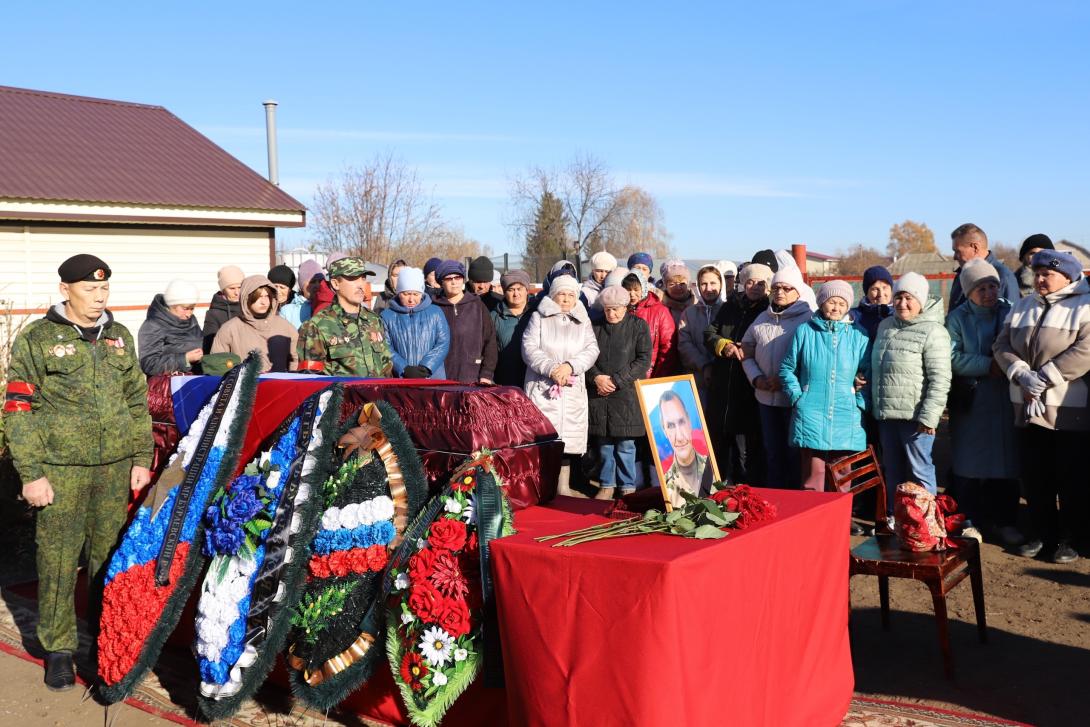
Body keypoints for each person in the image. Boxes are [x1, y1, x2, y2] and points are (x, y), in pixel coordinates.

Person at [3, 254, 153, 691]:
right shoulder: (39, 338)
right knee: (58, 562)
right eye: (90, 289)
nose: (99, 296)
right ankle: (60, 650)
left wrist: (141, 457)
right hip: (60, 472)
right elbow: (19, 408)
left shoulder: (120, 337)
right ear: (65, 289)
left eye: (104, 289)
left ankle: (106, 640)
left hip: (114, 471)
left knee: (108, 561)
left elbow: (136, 401)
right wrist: (30, 473)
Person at [994, 250, 1090, 564]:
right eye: (1036, 273)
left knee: (1070, 477)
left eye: (1046, 274)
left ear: (1068, 276)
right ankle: (1040, 532)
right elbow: (1002, 344)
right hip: (1026, 407)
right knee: (1035, 476)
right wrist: (1019, 372)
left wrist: (1047, 376)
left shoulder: (1084, 306)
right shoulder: (1023, 305)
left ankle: (1069, 538)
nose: (1039, 279)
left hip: (1067, 409)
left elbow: (1086, 349)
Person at [945, 259, 1021, 545]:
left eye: (992, 285)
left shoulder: (1009, 312)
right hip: (972, 401)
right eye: (981, 288)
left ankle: (1005, 520)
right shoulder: (957, 318)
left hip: (1004, 398)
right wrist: (986, 366)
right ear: (968, 291)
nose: (989, 292)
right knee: (969, 465)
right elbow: (952, 356)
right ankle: (970, 520)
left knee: (1006, 462)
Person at [871, 272, 951, 523]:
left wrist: (929, 417)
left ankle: (927, 521)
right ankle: (897, 517)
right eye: (898, 297)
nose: (902, 303)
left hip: (916, 417)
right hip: (887, 415)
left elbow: (940, 379)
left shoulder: (933, 331)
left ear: (921, 300)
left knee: (920, 471)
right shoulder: (885, 326)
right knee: (892, 468)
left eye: (909, 298)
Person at [778, 280, 869, 492]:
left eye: (841, 303)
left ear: (848, 306)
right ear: (821, 303)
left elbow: (868, 372)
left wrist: (858, 402)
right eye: (831, 302)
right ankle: (813, 521)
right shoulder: (805, 331)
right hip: (811, 411)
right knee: (813, 475)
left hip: (846, 412)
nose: (836, 308)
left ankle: (839, 521)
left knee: (843, 476)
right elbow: (787, 368)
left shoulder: (859, 335)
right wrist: (799, 398)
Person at [522, 275, 600, 496]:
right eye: (561, 294)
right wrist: (552, 369)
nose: (565, 299)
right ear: (553, 295)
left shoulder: (582, 319)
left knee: (567, 439)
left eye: (570, 295)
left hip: (571, 386)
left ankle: (563, 487)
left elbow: (591, 349)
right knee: (545, 438)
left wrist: (570, 366)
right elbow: (529, 348)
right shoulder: (539, 317)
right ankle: (541, 486)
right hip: (543, 387)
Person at [740, 266, 814, 489]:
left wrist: (785, 380)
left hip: (793, 398)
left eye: (786, 288)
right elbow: (746, 351)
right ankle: (776, 497)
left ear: (797, 292)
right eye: (776, 288)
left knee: (794, 454)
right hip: (765, 398)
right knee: (772, 451)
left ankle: (795, 499)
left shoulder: (808, 320)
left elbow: (811, 360)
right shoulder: (762, 318)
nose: (780, 292)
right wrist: (757, 378)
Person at [704, 262, 772, 485]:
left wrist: (750, 349)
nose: (754, 287)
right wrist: (723, 345)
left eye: (761, 283)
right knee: (719, 443)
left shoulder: (768, 311)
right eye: (750, 281)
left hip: (748, 386)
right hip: (723, 382)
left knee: (746, 448)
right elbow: (710, 332)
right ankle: (719, 488)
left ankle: (745, 491)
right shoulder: (730, 306)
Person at [587, 285, 652, 500]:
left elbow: (643, 359)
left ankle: (627, 485)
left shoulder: (638, 326)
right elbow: (585, 356)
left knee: (625, 444)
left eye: (616, 309)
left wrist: (616, 380)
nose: (611, 314)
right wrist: (596, 377)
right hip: (600, 393)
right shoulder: (594, 326)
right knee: (604, 444)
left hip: (626, 394)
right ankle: (606, 484)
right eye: (607, 310)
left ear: (626, 307)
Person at [296, 257, 393, 376]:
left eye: (363, 278)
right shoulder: (316, 326)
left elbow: (387, 369)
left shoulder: (374, 320)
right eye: (352, 279)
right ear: (336, 283)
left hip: (377, 394)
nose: (361, 285)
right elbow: (311, 380)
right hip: (342, 394)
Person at [212, 275, 299, 373]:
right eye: (259, 297)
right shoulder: (229, 329)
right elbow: (217, 367)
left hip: (279, 385)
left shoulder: (286, 328)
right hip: (244, 386)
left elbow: (294, 363)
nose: (264, 302)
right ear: (246, 298)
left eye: (267, 296)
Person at [432, 260, 498, 384]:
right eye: (448, 278)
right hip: (441, 377)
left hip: (472, 376)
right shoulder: (434, 307)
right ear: (441, 282)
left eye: (457, 277)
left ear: (463, 279)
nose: (453, 282)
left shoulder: (477, 305)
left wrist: (486, 374)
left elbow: (490, 341)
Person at [380, 266, 450, 379]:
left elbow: (443, 342)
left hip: (432, 377)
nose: (411, 299)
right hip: (401, 379)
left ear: (422, 293)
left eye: (416, 294)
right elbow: (385, 346)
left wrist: (427, 366)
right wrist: (403, 368)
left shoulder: (435, 312)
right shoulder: (387, 316)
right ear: (398, 293)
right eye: (406, 294)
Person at [947, 223, 1020, 312]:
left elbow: (1010, 318)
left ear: (975, 247)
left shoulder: (1003, 276)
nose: (954, 257)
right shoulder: (961, 275)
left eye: (957, 251)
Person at [659, 390, 714, 505]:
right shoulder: (666, 484)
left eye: (681, 422)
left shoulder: (712, 469)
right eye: (670, 426)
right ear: (664, 431)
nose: (679, 437)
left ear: (689, 421)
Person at [137, 279, 204, 376]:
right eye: (185, 308)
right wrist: (185, 359)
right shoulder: (153, 325)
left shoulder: (191, 321)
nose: (189, 314)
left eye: (192, 308)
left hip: (195, 380)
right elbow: (149, 365)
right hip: (169, 387)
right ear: (172, 305)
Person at [678, 264, 724, 400]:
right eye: (703, 284)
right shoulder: (689, 313)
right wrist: (704, 365)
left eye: (713, 283)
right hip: (696, 379)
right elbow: (684, 344)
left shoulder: (728, 311)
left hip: (723, 379)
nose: (708, 288)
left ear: (721, 285)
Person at [622, 270, 677, 377]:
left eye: (636, 289)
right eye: (628, 290)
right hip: (625, 377)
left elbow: (668, 347)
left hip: (651, 374)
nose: (632, 294)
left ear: (643, 289)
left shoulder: (660, 311)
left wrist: (660, 376)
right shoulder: (621, 311)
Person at [490, 269, 534, 386]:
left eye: (519, 289)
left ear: (527, 290)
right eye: (511, 290)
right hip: (505, 381)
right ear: (504, 291)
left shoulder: (536, 314)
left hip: (533, 380)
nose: (516, 294)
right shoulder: (494, 317)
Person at [202, 264, 244, 353]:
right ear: (223, 290)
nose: (237, 292)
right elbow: (209, 346)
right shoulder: (213, 314)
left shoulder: (249, 307)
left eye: (240, 287)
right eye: (232, 288)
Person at [851, 265, 894, 340]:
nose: (881, 294)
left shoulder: (900, 314)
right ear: (867, 292)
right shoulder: (853, 317)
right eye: (875, 289)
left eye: (885, 287)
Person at [1014, 234, 1053, 298]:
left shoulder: (1060, 279)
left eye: (1042, 253)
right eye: (1033, 253)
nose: (1038, 257)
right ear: (1024, 257)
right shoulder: (1014, 281)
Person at [268, 264, 305, 329]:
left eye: (282, 287)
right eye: (275, 286)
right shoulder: (265, 302)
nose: (278, 291)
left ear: (290, 289)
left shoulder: (297, 306)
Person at [660, 262, 696, 327]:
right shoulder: (659, 308)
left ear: (688, 284)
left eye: (682, 283)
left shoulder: (698, 307)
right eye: (672, 284)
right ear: (665, 286)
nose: (678, 288)